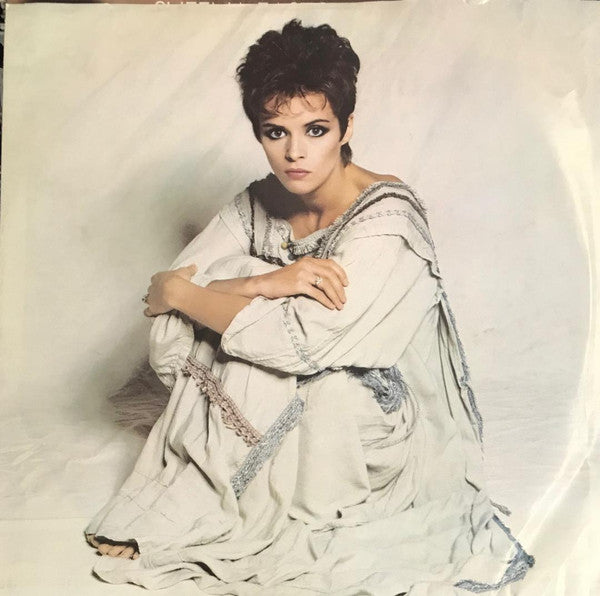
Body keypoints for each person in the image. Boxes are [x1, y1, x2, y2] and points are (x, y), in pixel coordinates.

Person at [85, 19, 535, 595]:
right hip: (299, 391)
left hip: (370, 419)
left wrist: (193, 294)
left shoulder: (387, 220)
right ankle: (204, 503)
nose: (294, 152)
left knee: (288, 368)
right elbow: (161, 301)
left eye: (316, 130)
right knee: (227, 313)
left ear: (347, 126)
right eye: (275, 132)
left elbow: (297, 343)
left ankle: (198, 510)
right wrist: (267, 282)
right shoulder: (260, 201)